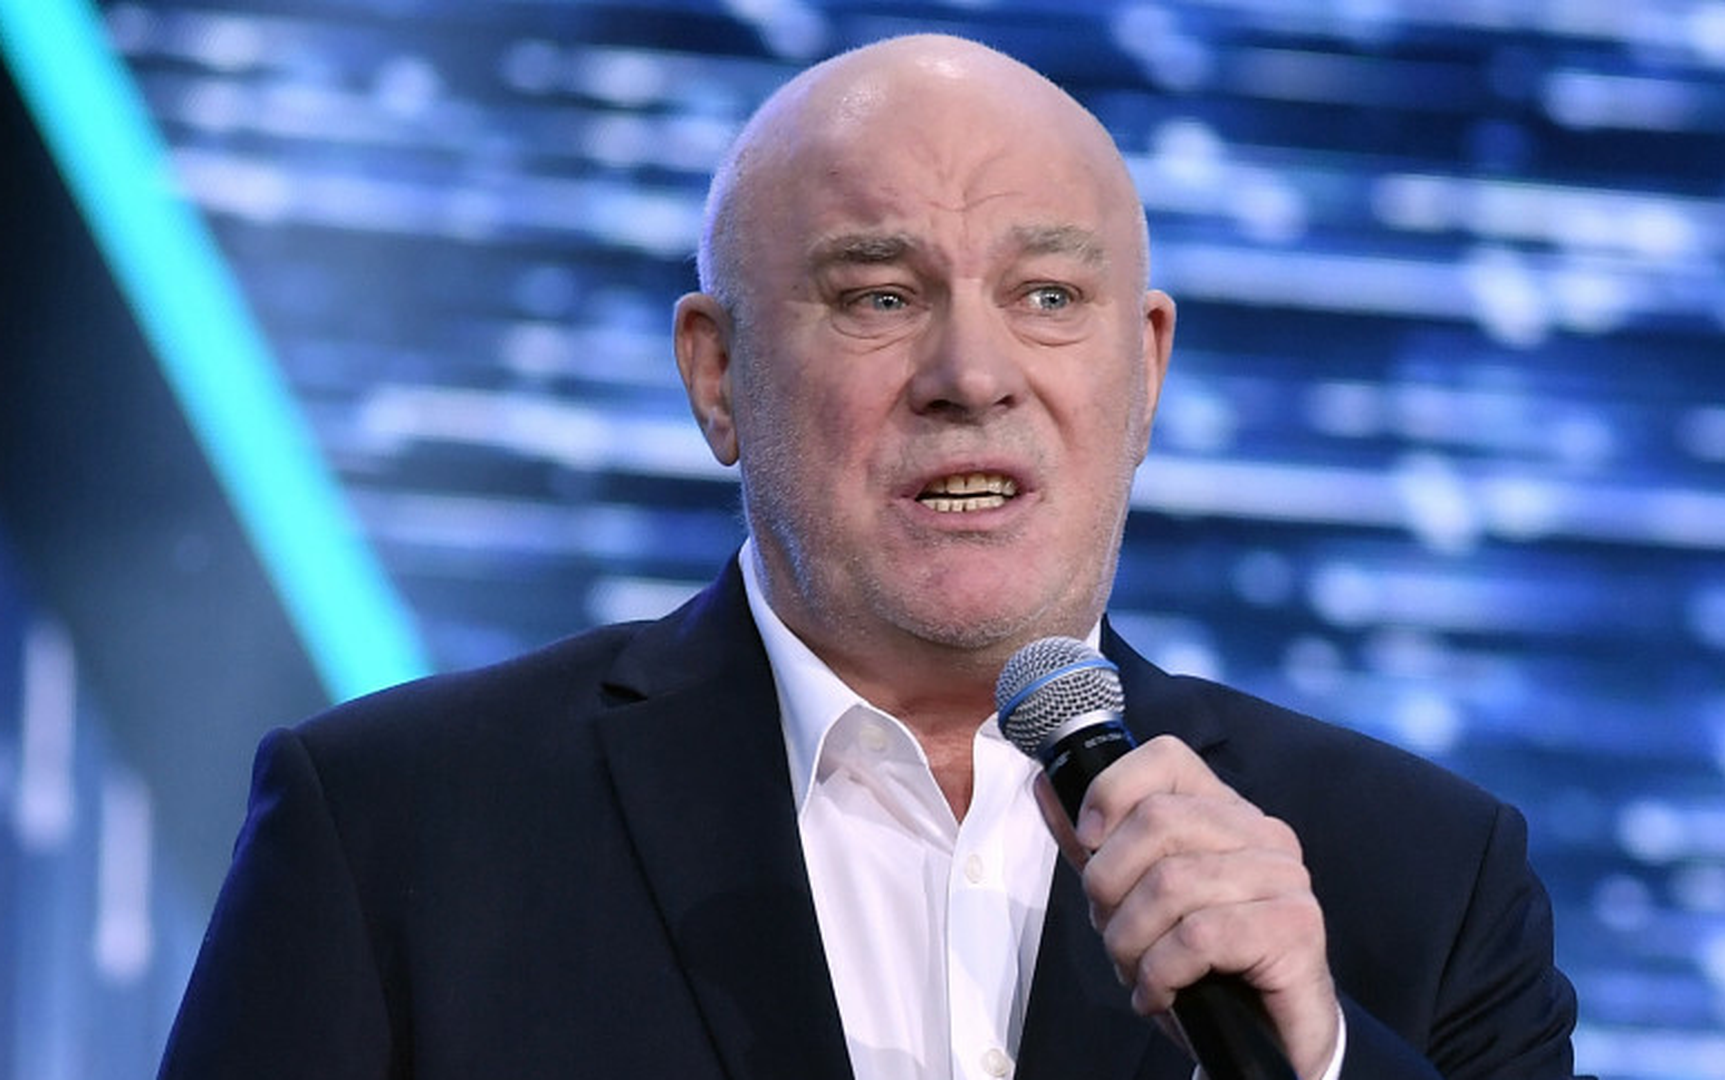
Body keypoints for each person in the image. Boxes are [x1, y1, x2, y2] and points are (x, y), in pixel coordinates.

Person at [159, 33, 1584, 1080]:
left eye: (1046, 295)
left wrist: (1315, 1064)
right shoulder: (399, 831)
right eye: (879, 296)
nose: (974, 374)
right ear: (717, 377)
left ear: (1144, 371)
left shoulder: (1419, 875)